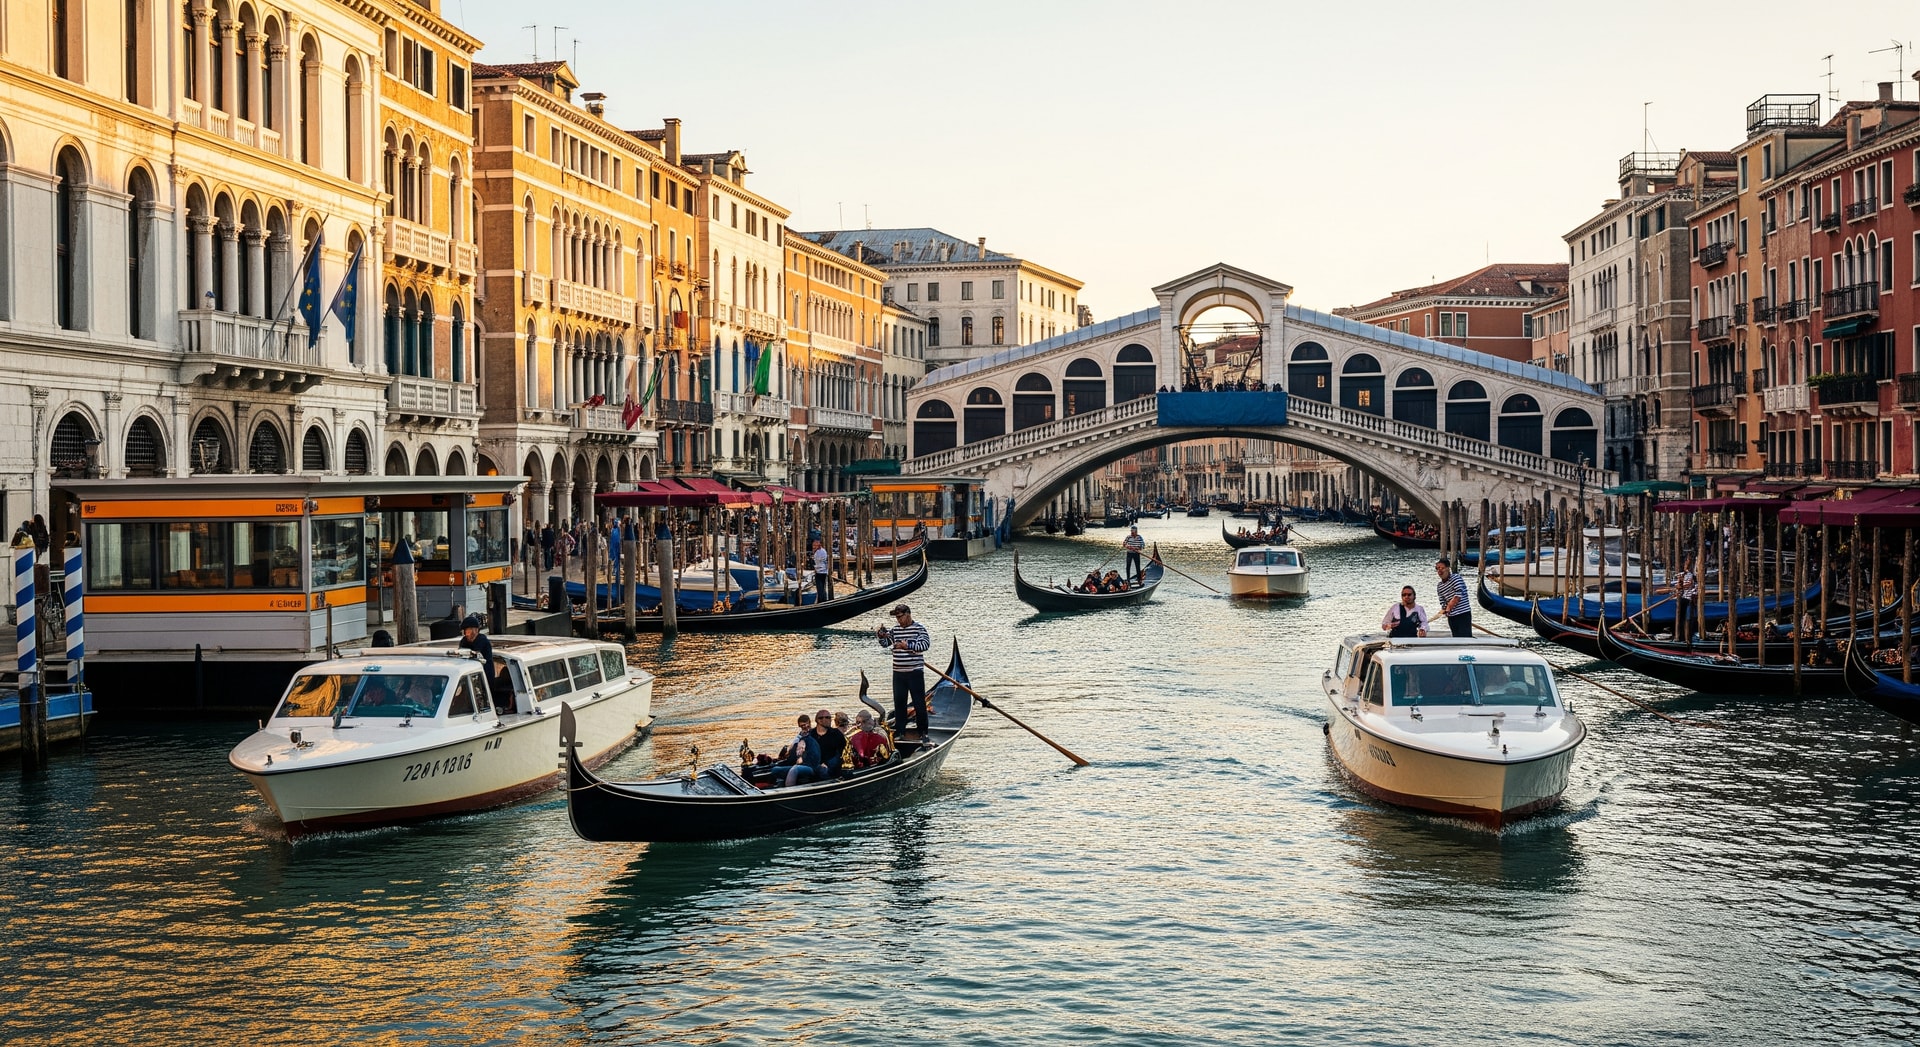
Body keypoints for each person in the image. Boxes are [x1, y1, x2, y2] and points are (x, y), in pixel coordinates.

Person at [875, 602, 931, 740]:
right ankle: (900, 731)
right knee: (899, 702)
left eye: (900, 617)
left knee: (919, 703)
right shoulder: (895, 630)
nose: (898, 620)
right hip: (898, 672)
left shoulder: (919, 629)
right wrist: (880, 636)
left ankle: (923, 731)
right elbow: (885, 644)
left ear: (908, 615)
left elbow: (925, 644)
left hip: (914, 672)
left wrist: (907, 646)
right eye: (897, 618)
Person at [458, 614, 511, 713]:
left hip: (485, 674)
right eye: (465, 631)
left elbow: (474, 653)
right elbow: (461, 652)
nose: (466, 634)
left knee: (486, 693)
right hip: (469, 673)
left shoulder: (482, 640)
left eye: (468, 631)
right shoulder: (464, 641)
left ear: (475, 630)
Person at [769, 714, 824, 787]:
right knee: (774, 769)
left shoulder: (815, 735)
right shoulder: (800, 737)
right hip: (798, 763)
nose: (804, 727)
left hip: (811, 766)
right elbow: (793, 750)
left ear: (809, 723)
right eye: (802, 726)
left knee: (795, 769)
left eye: (805, 725)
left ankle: (789, 790)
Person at [1659, 564, 1698, 643]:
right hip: (1683, 600)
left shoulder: (1690, 577)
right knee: (1681, 619)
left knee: (1685, 619)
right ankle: (1681, 637)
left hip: (1687, 601)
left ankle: (1684, 638)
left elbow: (1689, 586)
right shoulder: (1683, 576)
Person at [1434, 558, 1470, 638]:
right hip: (1452, 617)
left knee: (1465, 638)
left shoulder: (1455, 578)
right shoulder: (1439, 586)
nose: (1439, 571)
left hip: (1463, 614)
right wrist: (1444, 609)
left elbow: (1458, 595)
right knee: (1456, 637)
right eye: (1437, 569)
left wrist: (1449, 607)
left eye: (1442, 568)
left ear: (1448, 568)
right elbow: (1442, 601)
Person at [813, 707, 847, 778]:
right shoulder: (811, 734)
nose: (826, 719)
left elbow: (841, 751)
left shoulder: (836, 733)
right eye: (822, 718)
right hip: (814, 764)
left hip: (831, 765)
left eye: (828, 717)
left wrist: (826, 763)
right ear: (817, 720)